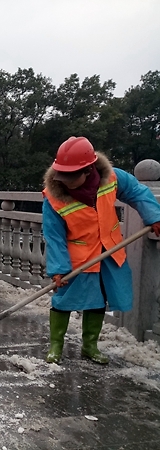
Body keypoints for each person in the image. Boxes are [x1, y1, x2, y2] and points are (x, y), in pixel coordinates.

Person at [42, 136, 160, 365]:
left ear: (88, 170)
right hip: (78, 257)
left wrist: (154, 217)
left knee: (98, 300)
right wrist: (58, 269)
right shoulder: (53, 197)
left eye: (71, 176)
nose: (65, 181)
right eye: (62, 175)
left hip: (109, 252)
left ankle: (90, 346)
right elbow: (54, 236)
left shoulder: (113, 178)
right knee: (63, 300)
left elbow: (137, 193)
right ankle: (56, 346)